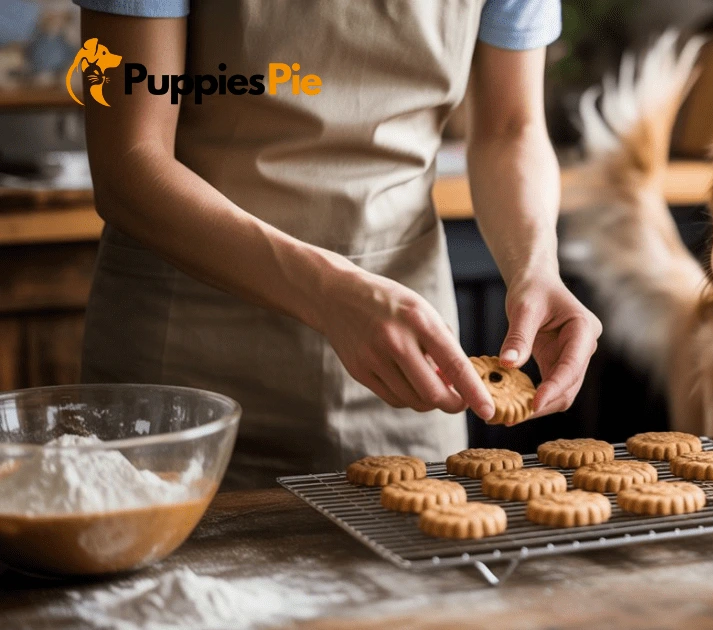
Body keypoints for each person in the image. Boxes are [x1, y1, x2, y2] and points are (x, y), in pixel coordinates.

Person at [75, 0, 602, 488]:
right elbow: (129, 161)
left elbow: (511, 126)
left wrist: (535, 264)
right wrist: (328, 292)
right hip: (182, 368)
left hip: (408, 370)